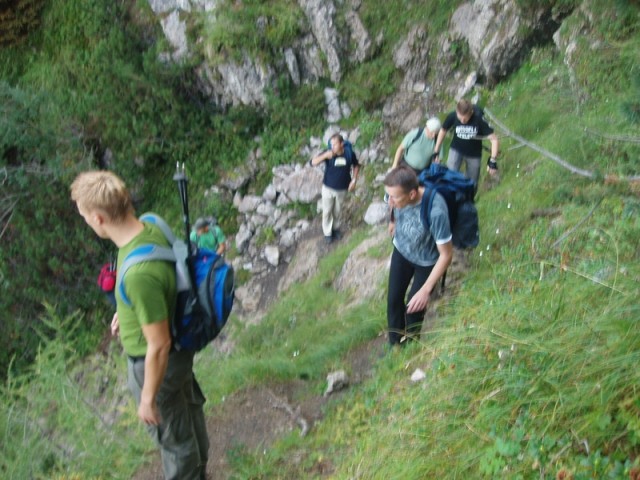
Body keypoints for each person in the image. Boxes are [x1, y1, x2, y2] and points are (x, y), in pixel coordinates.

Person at [70, 171, 209, 480]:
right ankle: (202, 468)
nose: (86, 223)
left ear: (99, 218)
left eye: (85, 217)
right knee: (188, 409)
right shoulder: (150, 224)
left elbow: (158, 345)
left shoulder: (138, 275)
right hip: (179, 348)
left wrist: (147, 397)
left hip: (158, 365)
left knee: (174, 438)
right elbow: (163, 283)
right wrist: (127, 311)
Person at [383, 166, 453, 346]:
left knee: (413, 310)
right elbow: (391, 203)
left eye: (394, 197)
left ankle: (411, 347)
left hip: (426, 261)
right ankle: (395, 346)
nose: (389, 200)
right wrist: (392, 220)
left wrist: (425, 290)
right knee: (393, 302)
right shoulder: (395, 194)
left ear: (412, 194)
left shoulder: (436, 212)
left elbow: (446, 255)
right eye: (388, 195)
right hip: (402, 251)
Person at [433, 99, 500, 187]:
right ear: (457, 112)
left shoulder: (479, 118)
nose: (462, 121)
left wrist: (492, 160)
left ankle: (468, 199)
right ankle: (450, 197)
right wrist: (436, 151)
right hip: (456, 150)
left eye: (465, 118)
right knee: (449, 176)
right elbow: (443, 130)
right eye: (460, 118)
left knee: (472, 182)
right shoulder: (453, 116)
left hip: (474, 154)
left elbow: (494, 139)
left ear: (471, 112)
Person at [311, 133, 360, 243]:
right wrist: (324, 156)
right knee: (327, 211)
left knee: (337, 211)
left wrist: (354, 180)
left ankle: (335, 229)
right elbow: (313, 163)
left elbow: (356, 165)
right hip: (328, 188)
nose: (332, 147)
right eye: (331, 144)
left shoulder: (349, 153)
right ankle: (327, 233)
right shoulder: (328, 153)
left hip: (342, 189)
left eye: (334, 144)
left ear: (341, 144)